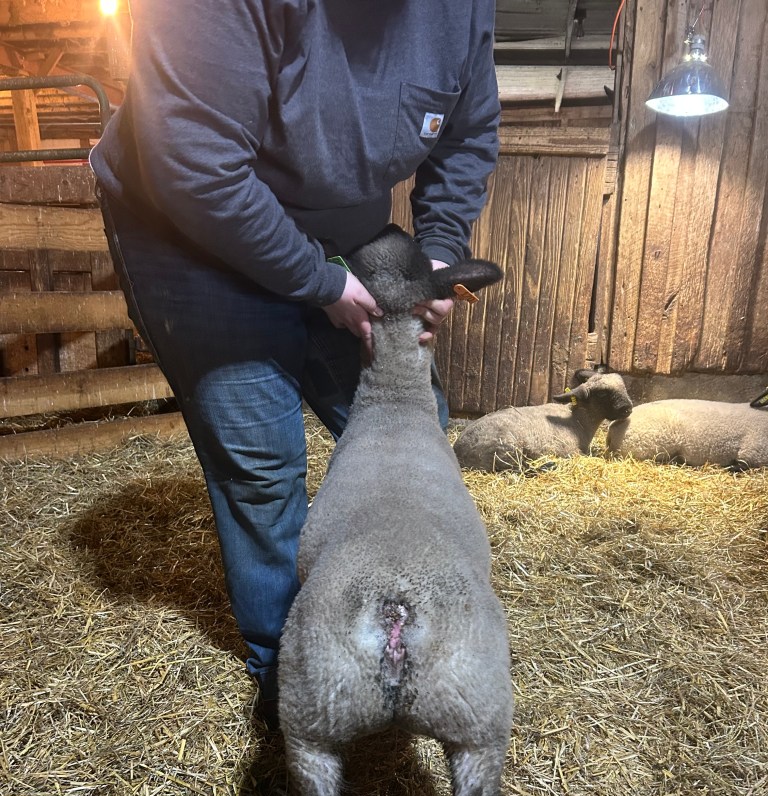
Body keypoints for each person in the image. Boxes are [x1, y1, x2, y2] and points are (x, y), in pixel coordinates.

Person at [90, 0, 501, 727]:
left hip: (339, 223)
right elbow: (197, 166)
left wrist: (436, 252)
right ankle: (294, 669)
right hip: (189, 228)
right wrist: (320, 285)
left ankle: (406, 629)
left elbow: (466, 136)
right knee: (262, 464)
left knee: (415, 419)